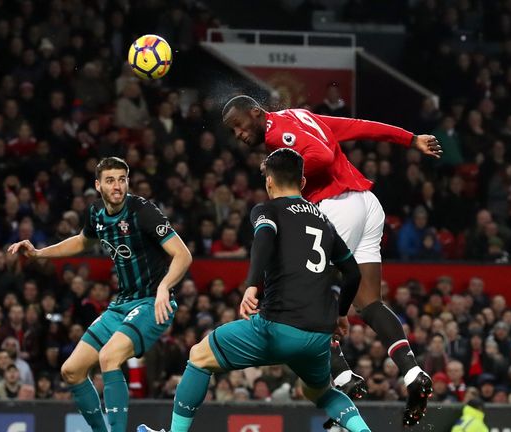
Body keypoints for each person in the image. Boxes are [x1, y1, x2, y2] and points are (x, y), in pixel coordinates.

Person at [222, 95, 440, 425]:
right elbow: (356, 126)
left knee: (305, 289)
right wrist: (410, 138)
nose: (238, 134)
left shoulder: (276, 135)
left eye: (239, 125)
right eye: (233, 130)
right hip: (366, 203)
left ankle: (342, 377)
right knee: (369, 303)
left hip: (336, 205)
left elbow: (321, 156)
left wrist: (288, 180)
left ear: (256, 113)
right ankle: (412, 372)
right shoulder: (297, 116)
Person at [138, 148, 369, 432]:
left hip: (277, 327)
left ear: (269, 182)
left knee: (199, 357)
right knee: (319, 392)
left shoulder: (268, 210)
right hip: (319, 333)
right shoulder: (324, 221)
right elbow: (353, 273)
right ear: (303, 183)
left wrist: (251, 286)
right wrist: (341, 314)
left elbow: (264, 239)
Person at [8, 157, 192, 432]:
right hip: (120, 305)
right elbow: (82, 241)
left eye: (122, 179)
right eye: (110, 180)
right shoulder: (95, 212)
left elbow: (183, 255)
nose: (117, 186)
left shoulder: (143, 211)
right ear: (98, 185)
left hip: (152, 302)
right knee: (71, 370)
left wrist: (165, 287)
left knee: (109, 358)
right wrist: (38, 253)